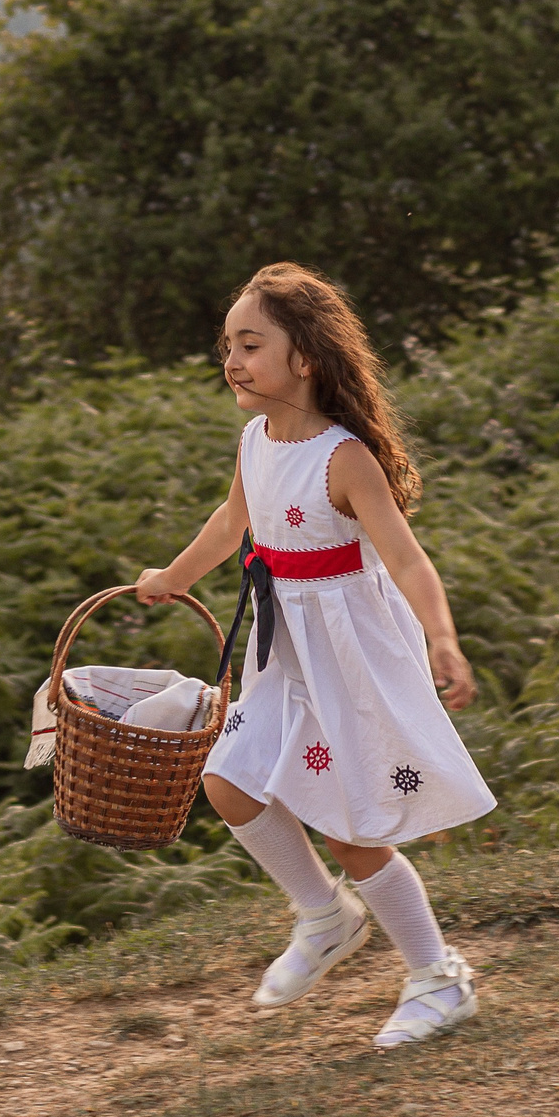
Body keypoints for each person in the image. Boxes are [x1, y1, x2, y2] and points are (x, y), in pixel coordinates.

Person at [136, 262, 495, 1047]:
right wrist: (173, 576)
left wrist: (442, 635)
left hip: (350, 656)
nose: (232, 360)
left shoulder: (344, 458)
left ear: (303, 358)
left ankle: (439, 977)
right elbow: (231, 523)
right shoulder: (253, 442)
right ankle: (325, 915)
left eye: (250, 344)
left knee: (351, 831)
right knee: (227, 779)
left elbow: (407, 559)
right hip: (284, 649)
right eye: (228, 345)